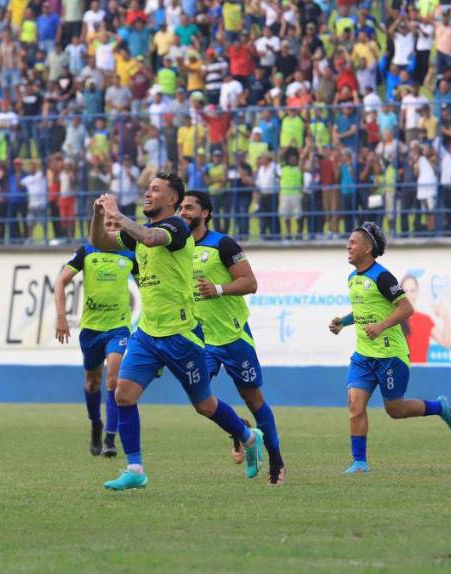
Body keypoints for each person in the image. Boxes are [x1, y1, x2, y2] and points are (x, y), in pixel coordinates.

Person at [88, 172, 264, 490]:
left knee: (204, 405)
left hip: (182, 333)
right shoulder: (140, 231)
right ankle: (135, 468)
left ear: (172, 199)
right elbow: (101, 242)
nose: (147, 194)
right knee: (122, 395)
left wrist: (118, 215)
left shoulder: (176, 228)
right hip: (148, 333)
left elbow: (151, 239)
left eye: (155, 190)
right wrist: (98, 216)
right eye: (147, 189)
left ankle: (248, 437)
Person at [328, 222, 451, 474]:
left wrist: (381, 326)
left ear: (368, 248)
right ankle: (359, 463)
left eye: (353, 242)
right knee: (355, 405)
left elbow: (406, 308)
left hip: (391, 356)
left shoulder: (383, 277)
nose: (347, 245)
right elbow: (363, 311)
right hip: (364, 356)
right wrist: (343, 323)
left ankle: (439, 407)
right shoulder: (353, 278)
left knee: (395, 410)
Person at [179, 191, 286, 485]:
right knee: (200, 400)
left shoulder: (222, 244)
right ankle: (240, 429)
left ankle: (276, 462)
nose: (183, 211)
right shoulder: (177, 247)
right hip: (202, 339)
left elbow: (250, 283)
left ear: (206, 213)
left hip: (234, 334)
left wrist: (219, 288)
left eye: (189, 207)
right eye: (181, 207)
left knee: (253, 398)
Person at [54, 241, 138, 458]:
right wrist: (61, 317)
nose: (109, 229)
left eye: (114, 224)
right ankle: (96, 424)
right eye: (106, 224)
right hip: (91, 329)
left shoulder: (130, 253)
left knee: (113, 379)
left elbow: (147, 288)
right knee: (92, 381)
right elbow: (61, 282)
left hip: (118, 328)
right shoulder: (86, 251)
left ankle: (110, 438)